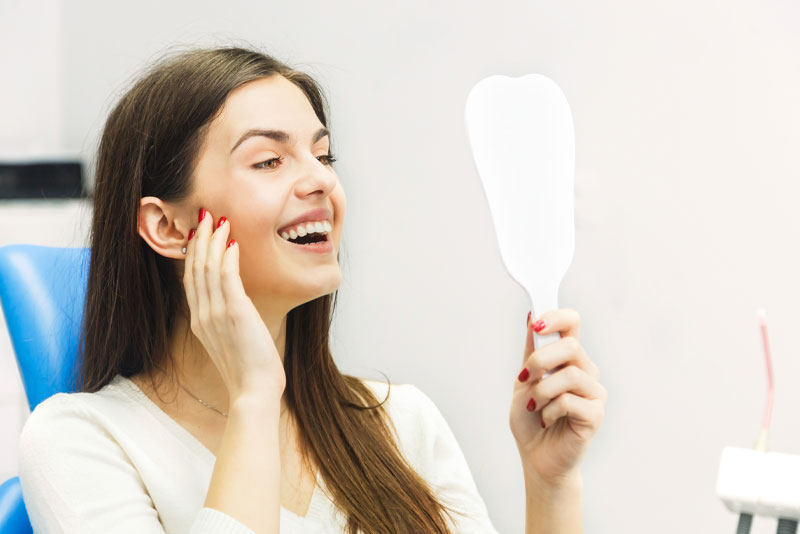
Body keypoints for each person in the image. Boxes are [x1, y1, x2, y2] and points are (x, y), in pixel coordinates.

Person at [16, 45, 606, 534]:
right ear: (167, 227)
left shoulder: (399, 422)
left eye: (324, 155)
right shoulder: (80, 442)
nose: (321, 179)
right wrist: (253, 396)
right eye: (270, 161)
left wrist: (550, 484)